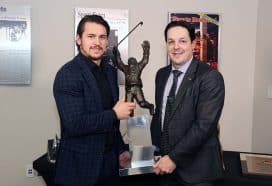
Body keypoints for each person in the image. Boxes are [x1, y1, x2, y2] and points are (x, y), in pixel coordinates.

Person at [53, 15, 136, 186]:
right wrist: (114, 113)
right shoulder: (68, 74)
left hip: (110, 166)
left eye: (102, 37)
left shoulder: (110, 72)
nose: (97, 42)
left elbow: (111, 124)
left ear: (107, 42)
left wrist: (121, 150)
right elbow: (74, 124)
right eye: (91, 37)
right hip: (80, 169)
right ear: (78, 39)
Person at [151, 20, 225, 186]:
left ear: (193, 44)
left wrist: (173, 158)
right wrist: (154, 151)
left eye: (182, 41)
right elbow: (160, 116)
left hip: (196, 172)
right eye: (171, 41)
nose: (176, 46)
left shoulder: (210, 77)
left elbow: (204, 126)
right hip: (165, 169)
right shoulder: (161, 75)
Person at [113, 40, 154, 116]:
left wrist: (146, 48)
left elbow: (145, 60)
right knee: (129, 108)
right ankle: (131, 117)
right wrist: (116, 52)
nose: (131, 63)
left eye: (133, 61)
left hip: (137, 87)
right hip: (129, 89)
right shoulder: (126, 68)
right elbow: (119, 62)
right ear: (128, 63)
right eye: (130, 61)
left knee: (142, 103)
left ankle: (151, 106)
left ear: (135, 62)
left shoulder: (138, 66)